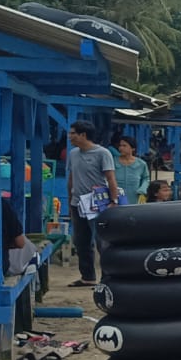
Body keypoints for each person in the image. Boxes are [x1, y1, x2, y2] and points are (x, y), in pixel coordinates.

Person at [67, 121, 119, 287]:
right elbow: (71, 178)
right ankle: (87, 277)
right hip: (78, 204)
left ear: (83, 135)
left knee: (102, 243)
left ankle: (108, 278)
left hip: (98, 205)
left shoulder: (102, 153)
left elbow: (111, 178)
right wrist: (70, 201)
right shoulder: (73, 154)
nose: (70, 137)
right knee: (81, 242)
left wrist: (114, 201)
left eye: (73, 133)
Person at [114, 136, 150, 204]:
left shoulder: (141, 164)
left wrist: (142, 189)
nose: (121, 148)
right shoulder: (113, 161)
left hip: (134, 198)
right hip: (116, 198)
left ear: (133, 148)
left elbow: (146, 178)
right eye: (120, 145)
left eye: (124, 146)